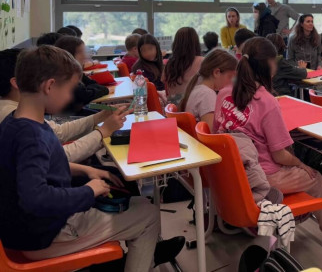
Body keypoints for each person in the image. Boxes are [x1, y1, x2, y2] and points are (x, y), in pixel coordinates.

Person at [0, 46, 184, 269]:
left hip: (31, 230)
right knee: (148, 216)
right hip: (47, 235)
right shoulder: (31, 136)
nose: (71, 97)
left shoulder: (14, 122)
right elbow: (36, 198)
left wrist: (86, 171)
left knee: (141, 204)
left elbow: (40, 168)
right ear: (49, 86)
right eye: (69, 90)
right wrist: (89, 191)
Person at [213, 37, 322, 233]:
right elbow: (279, 155)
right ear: (268, 65)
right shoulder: (266, 101)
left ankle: (299, 213)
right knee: (314, 176)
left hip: (233, 170)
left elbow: (216, 131)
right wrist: (301, 164)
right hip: (264, 176)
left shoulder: (224, 93)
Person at [0, 48, 129, 163]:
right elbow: (56, 159)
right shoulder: (17, 118)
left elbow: (58, 133)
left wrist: (100, 117)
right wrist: (103, 132)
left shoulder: (18, 111)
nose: (70, 97)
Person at [180, 49, 237, 130]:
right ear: (217, 72)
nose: (230, 82)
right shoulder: (207, 95)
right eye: (230, 77)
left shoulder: (199, 89)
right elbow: (210, 132)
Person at [54, 36, 109, 113]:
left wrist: (88, 89)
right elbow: (85, 95)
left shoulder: (76, 71)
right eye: (80, 52)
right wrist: (91, 90)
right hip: (69, 115)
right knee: (109, 113)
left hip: (80, 108)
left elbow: (93, 84)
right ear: (70, 54)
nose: (84, 56)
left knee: (110, 110)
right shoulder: (64, 75)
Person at [163, 27, 204, 105]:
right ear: (195, 43)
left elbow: (164, 83)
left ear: (175, 43)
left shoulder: (169, 64)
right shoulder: (202, 61)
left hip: (172, 107)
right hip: (193, 106)